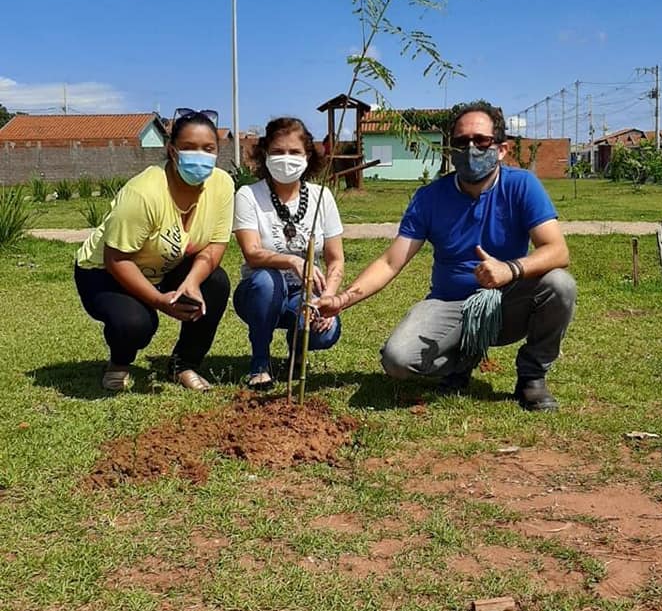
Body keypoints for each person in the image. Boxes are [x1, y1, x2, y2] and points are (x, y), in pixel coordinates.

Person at [317, 101, 576, 411]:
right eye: (461, 142)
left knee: (560, 284)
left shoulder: (522, 186)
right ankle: (459, 361)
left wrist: (510, 270)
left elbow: (557, 250)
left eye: (480, 141)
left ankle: (532, 376)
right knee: (397, 360)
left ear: (502, 148)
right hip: (449, 304)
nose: (470, 149)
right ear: (450, 149)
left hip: (506, 303)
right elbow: (390, 262)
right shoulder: (430, 197)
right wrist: (342, 301)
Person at [75, 108, 234, 392]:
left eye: (208, 148)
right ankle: (119, 362)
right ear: (172, 150)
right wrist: (160, 302)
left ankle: (183, 364)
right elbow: (117, 258)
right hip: (105, 271)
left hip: (166, 264)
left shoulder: (222, 184)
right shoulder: (144, 192)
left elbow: (215, 244)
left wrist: (192, 283)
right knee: (136, 323)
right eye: (189, 147)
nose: (200, 155)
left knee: (216, 283)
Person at [233, 117, 344, 390]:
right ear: (265, 154)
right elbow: (252, 253)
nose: (286, 158)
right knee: (267, 280)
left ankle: (298, 352)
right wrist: (293, 261)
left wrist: (327, 298)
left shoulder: (322, 197)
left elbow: (335, 258)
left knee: (326, 333)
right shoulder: (248, 195)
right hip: (259, 294)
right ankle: (260, 360)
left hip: (304, 295)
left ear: (308, 156)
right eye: (278, 152)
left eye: (294, 152)